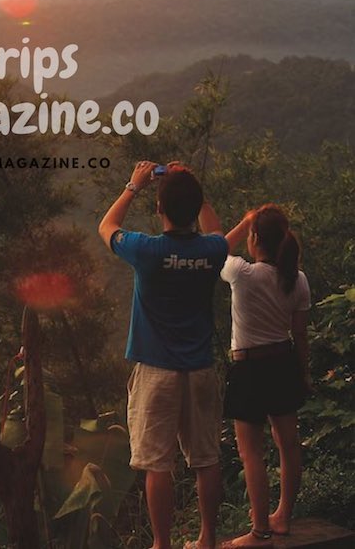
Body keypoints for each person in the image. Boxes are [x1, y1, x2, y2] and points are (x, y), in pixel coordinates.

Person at [99, 161, 228, 549]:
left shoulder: (148, 251)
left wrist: (133, 184)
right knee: (206, 459)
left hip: (156, 373)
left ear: (159, 209)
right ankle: (207, 539)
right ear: (196, 208)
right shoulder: (212, 251)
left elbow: (106, 227)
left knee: (157, 464)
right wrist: (193, 186)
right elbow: (218, 231)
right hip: (200, 368)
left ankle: (161, 543)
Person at [221, 205, 311, 548]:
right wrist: (303, 373)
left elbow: (216, 247)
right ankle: (282, 517)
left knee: (252, 453)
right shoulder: (297, 278)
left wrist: (243, 222)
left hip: (249, 369)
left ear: (254, 238)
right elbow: (300, 335)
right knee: (288, 444)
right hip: (284, 362)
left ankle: (260, 531)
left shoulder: (242, 272)